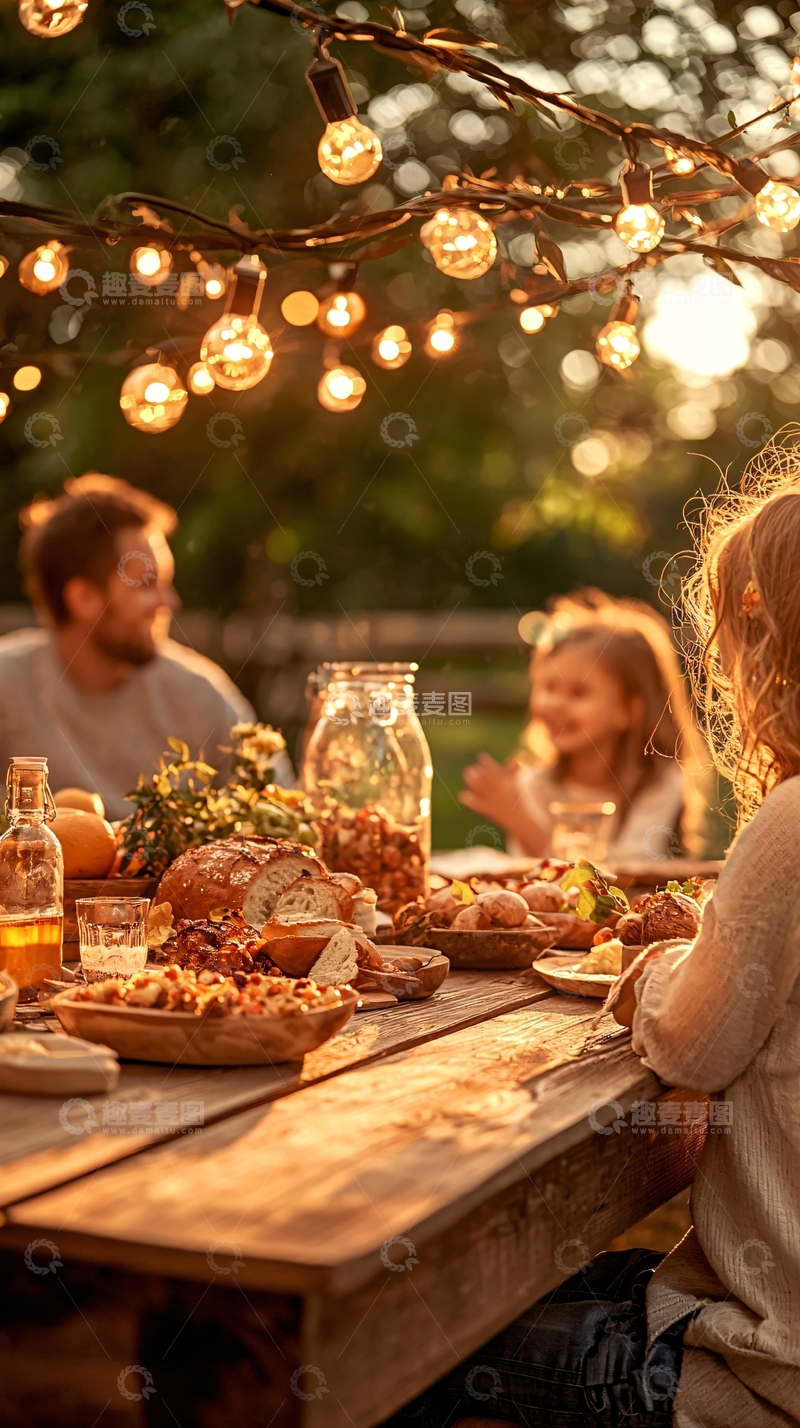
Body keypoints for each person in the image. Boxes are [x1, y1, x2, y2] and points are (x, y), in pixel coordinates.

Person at [389, 443, 800, 1427]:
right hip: (749, 1310)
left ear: (768, 647)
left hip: (752, 1370)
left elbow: (693, 1043)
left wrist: (650, 969)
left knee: (386, 1333)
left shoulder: (790, 822)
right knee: (490, 1278)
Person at [0, 473, 289, 820]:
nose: (170, 603)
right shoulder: (8, 688)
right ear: (84, 598)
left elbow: (279, 811)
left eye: (167, 583)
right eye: (147, 584)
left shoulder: (201, 695)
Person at [460, 589, 708, 861]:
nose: (554, 704)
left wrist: (519, 820)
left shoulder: (657, 783)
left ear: (628, 711)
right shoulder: (536, 783)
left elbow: (627, 872)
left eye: (578, 693)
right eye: (548, 688)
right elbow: (532, 873)